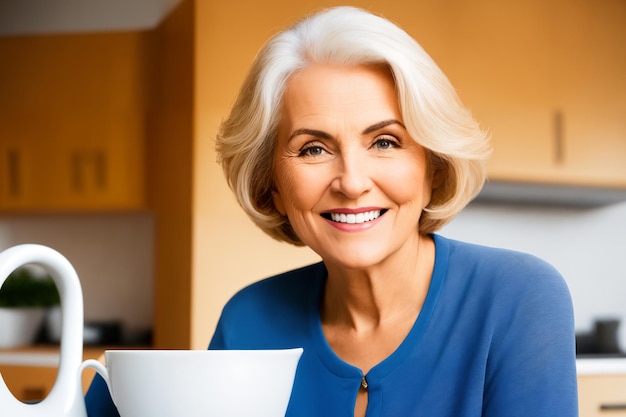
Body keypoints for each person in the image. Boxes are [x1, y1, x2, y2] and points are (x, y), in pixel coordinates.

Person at [85, 6, 578, 417]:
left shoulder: (519, 298)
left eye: (385, 141)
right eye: (313, 149)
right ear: (272, 186)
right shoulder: (249, 320)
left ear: (433, 167)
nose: (352, 181)